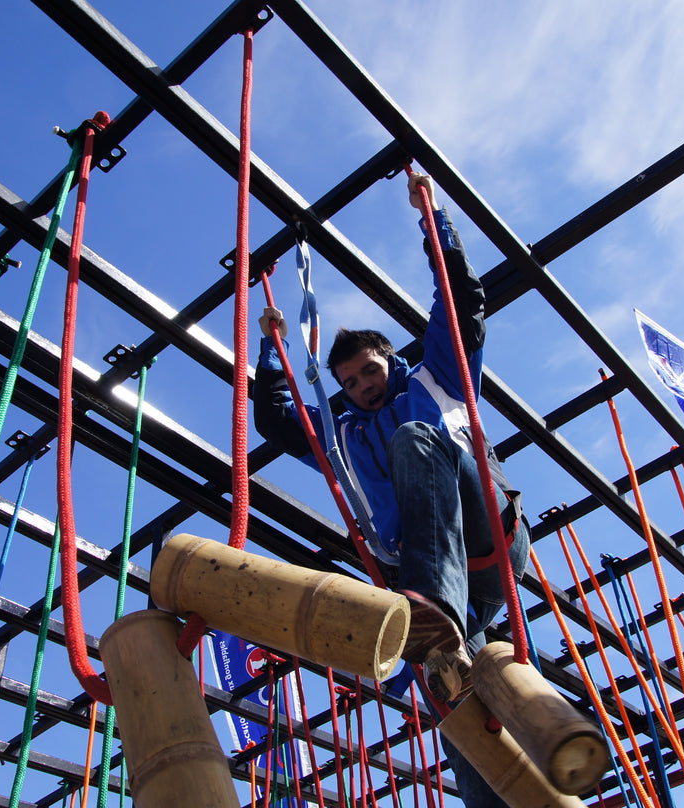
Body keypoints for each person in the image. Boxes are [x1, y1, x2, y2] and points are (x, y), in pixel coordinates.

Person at [254, 174, 531, 806]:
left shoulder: (435, 379)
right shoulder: (343, 434)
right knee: (457, 707)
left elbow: (461, 304)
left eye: (370, 371)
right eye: (349, 382)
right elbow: (277, 417)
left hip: (486, 537)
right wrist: (271, 354)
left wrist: (434, 221)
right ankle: (492, 776)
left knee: (413, 439)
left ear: (391, 360)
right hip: (437, 580)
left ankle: (429, 618)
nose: (361, 386)